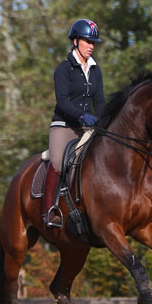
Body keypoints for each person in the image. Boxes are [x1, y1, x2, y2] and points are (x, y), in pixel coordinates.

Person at [43, 19, 106, 228]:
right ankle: (50, 209)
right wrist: (81, 115)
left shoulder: (96, 70)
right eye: (87, 41)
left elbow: (99, 101)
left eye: (93, 42)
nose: (91, 46)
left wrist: (106, 121)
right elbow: (62, 101)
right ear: (76, 41)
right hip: (64, 126)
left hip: (88, 126)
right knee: (59, 161)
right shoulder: (63, 69)